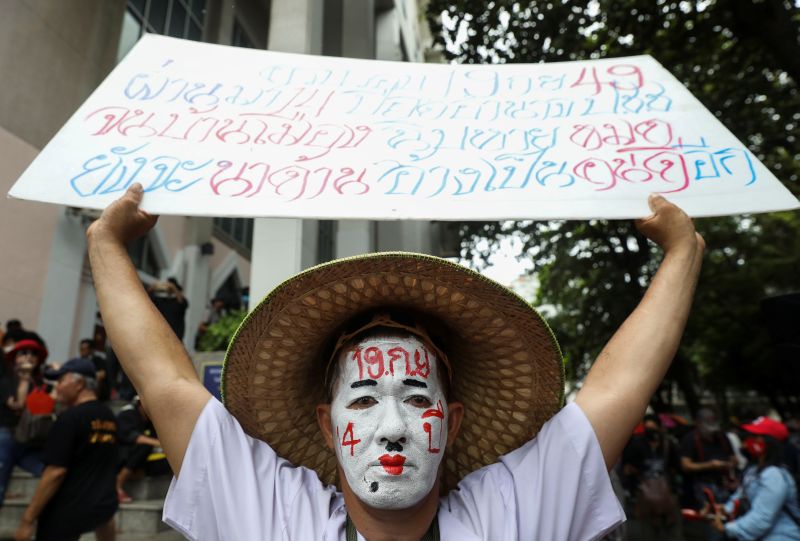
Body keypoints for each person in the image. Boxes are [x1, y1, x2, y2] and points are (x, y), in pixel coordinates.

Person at [86, 184, 704, 540]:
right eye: (361, 400)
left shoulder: (509, 518)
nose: (391, 428)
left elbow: (618, 387)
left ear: (452, 421)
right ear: (328, 425)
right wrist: (105, 245)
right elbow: (164, 382)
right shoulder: (273, 517)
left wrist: (683, 254)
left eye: (415, 397)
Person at [15, 358, 118, 541]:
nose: (57, 387)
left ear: (79, 383)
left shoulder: (70, 419)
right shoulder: (108, 416)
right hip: (97, 507)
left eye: (61, 381)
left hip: (65, 513)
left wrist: (27, 520)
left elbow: (55, 472)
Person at [709, 416, 800, 540]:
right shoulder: (753, 470)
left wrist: (728, 529)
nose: (747, 441)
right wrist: (725, 509)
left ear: (768, 443)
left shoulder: (774, 475)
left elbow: (761, 517)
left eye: (754, 437)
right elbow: (740, 496)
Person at [0, 339, 49, 506]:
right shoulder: (7, 380)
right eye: (24, 353)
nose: (29, 356)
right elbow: (17, 406)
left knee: (47, 471)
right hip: (7, 436)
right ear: (15, 358)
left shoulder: (42, 383)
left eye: (33, 353)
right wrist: (25, 379)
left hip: (32, 439)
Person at [621, 414, 682, 540]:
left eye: (653, 429)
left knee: (673, 531)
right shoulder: (636, 444)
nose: (651, 433)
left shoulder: (667, 444)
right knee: (648, 533)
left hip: (667, 495)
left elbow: (676, 466)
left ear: (660, 428)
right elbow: (627, 468)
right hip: (644, 496)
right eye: (648, 429)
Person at [116, 395, 169, 503]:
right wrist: (161, 444)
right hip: (119, 453)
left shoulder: (150, 419)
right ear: (140, 404)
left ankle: (136, 474)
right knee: (144, 446)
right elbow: (134, 437)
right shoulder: (128, 414)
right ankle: (118, 485)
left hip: (143, 458)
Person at [147, 277, 189, 341]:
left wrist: (174, 288)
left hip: (175, 337)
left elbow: (182, 302)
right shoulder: (161, 300)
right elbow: (146, 298)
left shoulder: (178, 302)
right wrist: (153, 287)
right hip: (160, 336)